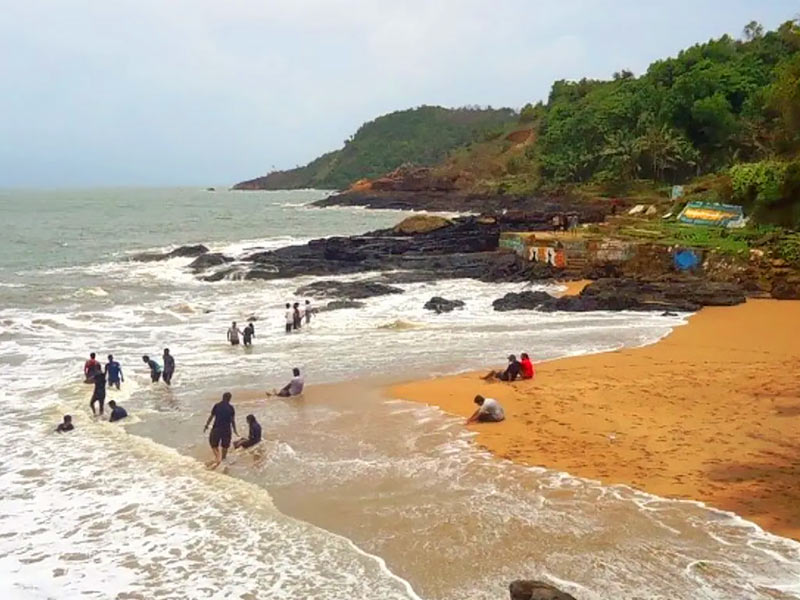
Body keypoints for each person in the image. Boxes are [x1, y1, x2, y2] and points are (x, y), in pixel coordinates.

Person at [204, 392, 238, 467]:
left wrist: (206, 425)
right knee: (225, 446)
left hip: (217, 428)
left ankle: (217, 457)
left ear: (222, 397)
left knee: (213, 444)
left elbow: (211, 417)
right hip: (227, 429)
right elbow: (232, 420)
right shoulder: (231, 408)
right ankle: (223, 459)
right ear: (229, 399)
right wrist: (235, 430)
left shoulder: (217, 406)